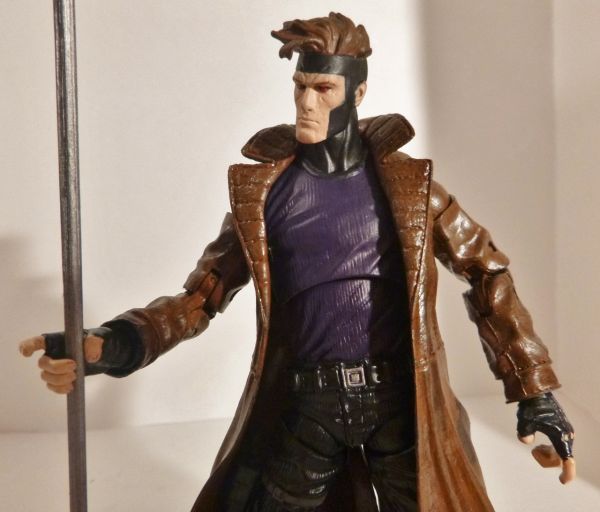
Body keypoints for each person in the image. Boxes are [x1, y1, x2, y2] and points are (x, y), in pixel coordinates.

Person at [19, 12, 575, 512]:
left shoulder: (412, 190)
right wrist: (117, 342)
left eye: (324, 88)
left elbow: (486, 271)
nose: (307, 102)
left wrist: (536, 394)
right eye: (301, 86)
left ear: (357, 94)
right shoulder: (265, 198)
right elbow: (200, 298)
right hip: (307, 406)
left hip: (402, 404)